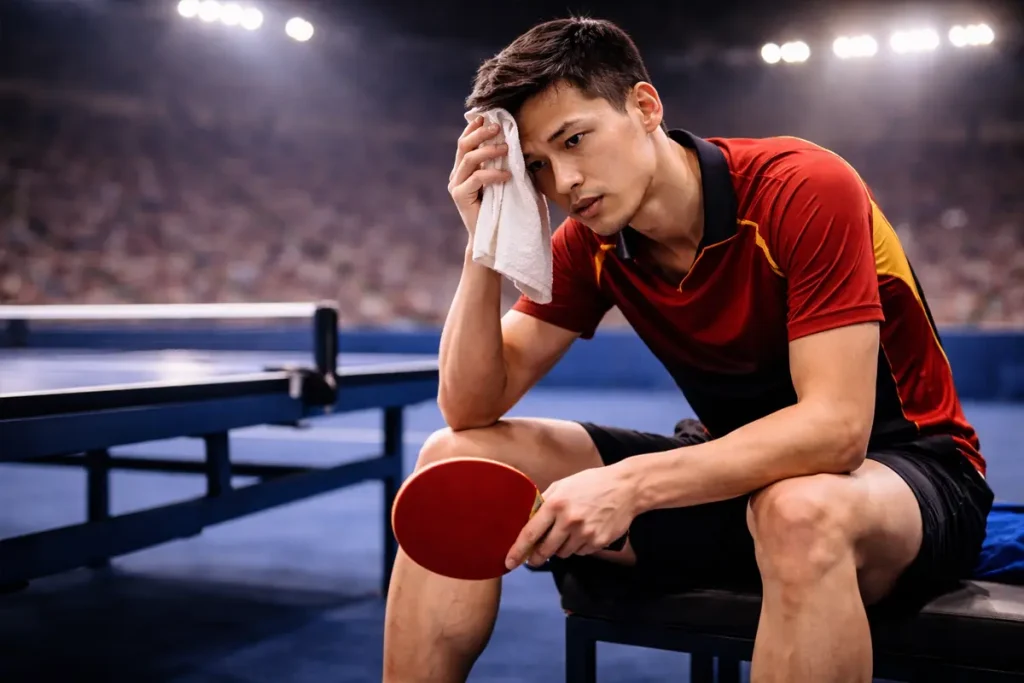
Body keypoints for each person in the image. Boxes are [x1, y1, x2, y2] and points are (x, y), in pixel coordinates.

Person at [382, 16, 994, 683]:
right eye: (537, 167)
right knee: (452, 457)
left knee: (800, 508)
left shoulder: (802, 187)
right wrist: (485, 245)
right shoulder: (590, 242)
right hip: (740, 485)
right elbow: (469, 407)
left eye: (575, 140)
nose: (565, 183)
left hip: (906, 478)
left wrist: (629, 484)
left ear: (645, 107)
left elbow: (838, 430)